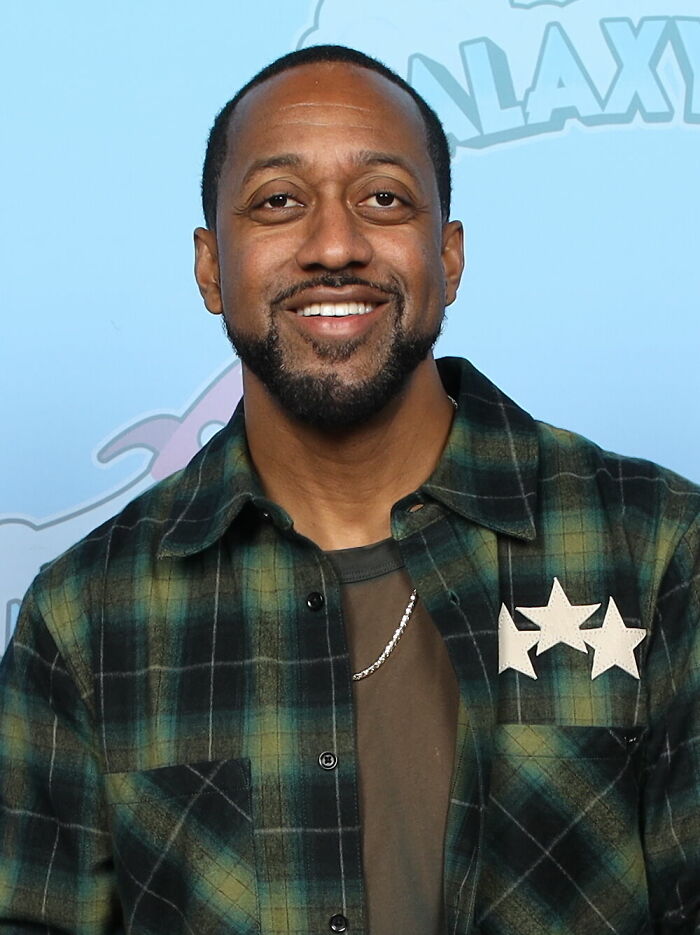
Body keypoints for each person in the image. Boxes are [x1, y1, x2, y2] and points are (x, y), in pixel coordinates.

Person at [0, 44, 698, 935]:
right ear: (212, 269)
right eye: (279, 202)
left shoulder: (659, 550)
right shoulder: (85, 619)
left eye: (383, 199)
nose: (335, 245)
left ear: (448, 257)